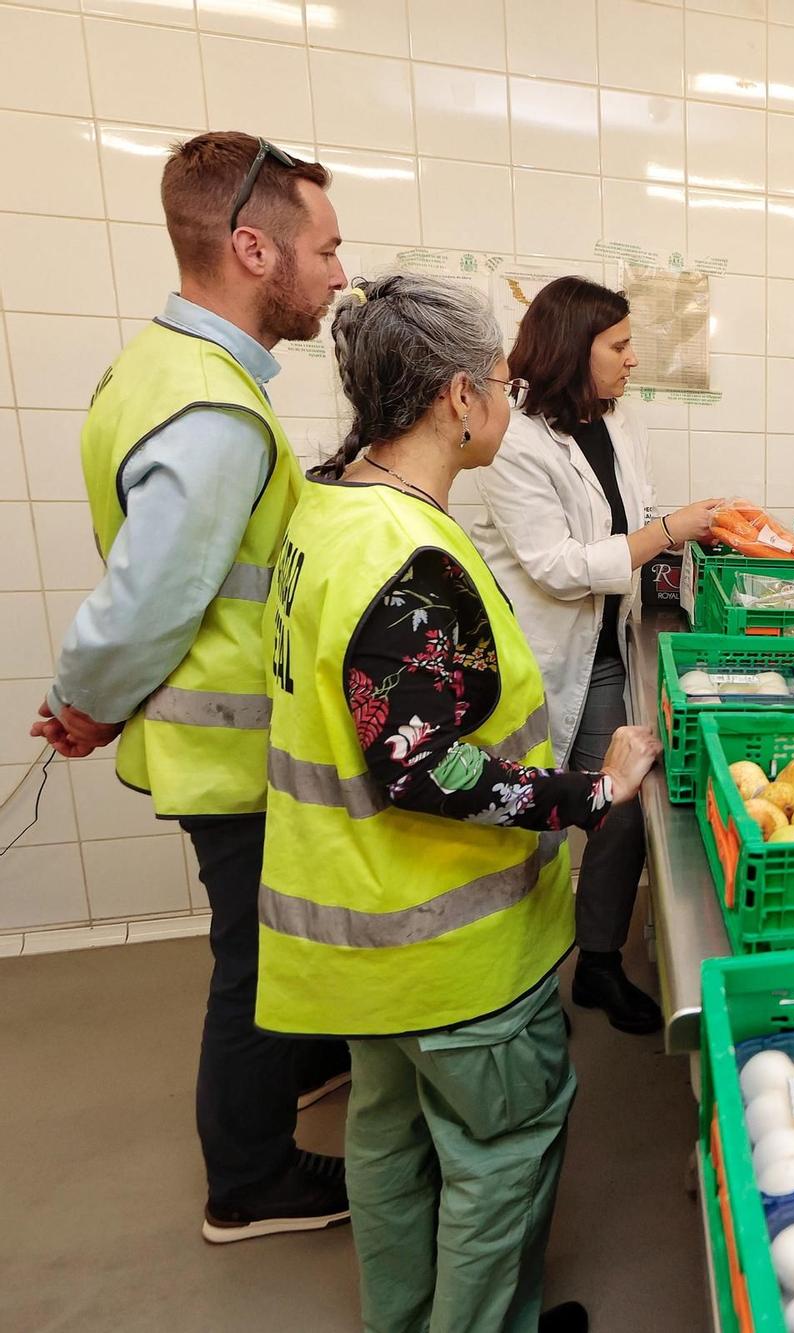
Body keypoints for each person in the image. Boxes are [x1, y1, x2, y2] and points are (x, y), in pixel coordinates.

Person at [259, 273, 662, 1333]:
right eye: (494, 380)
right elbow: (423, 767)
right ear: (453, 398)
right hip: (447, 946)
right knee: (499, 1152)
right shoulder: (413, 562)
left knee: (390, 1147)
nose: (504, 396)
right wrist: (592, 788)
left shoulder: (329, 508)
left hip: (353, 939)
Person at [29, 131, 351, 1244]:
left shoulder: (159, 366)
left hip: (223, 739)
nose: (339, 274)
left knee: (265, 941)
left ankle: (301, 1070)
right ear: (253, 248)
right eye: (326, 248)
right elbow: (147, 599)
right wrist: (86, 698)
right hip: (231, 746)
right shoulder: (213, 410)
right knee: (252, 955)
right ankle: (250, 1181)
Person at [471, 276, 719, 1035]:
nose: (633, 359)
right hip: (536, 659)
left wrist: (684, 540)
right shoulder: (512, 438)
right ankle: (517, 989)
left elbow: (634, 515)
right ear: (573, 350)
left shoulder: (614, 420)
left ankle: (600, 963)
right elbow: (557, 564)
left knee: (626, 809)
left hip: (606, 647)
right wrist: (671, 529)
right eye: (618, 345)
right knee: (532, 823)